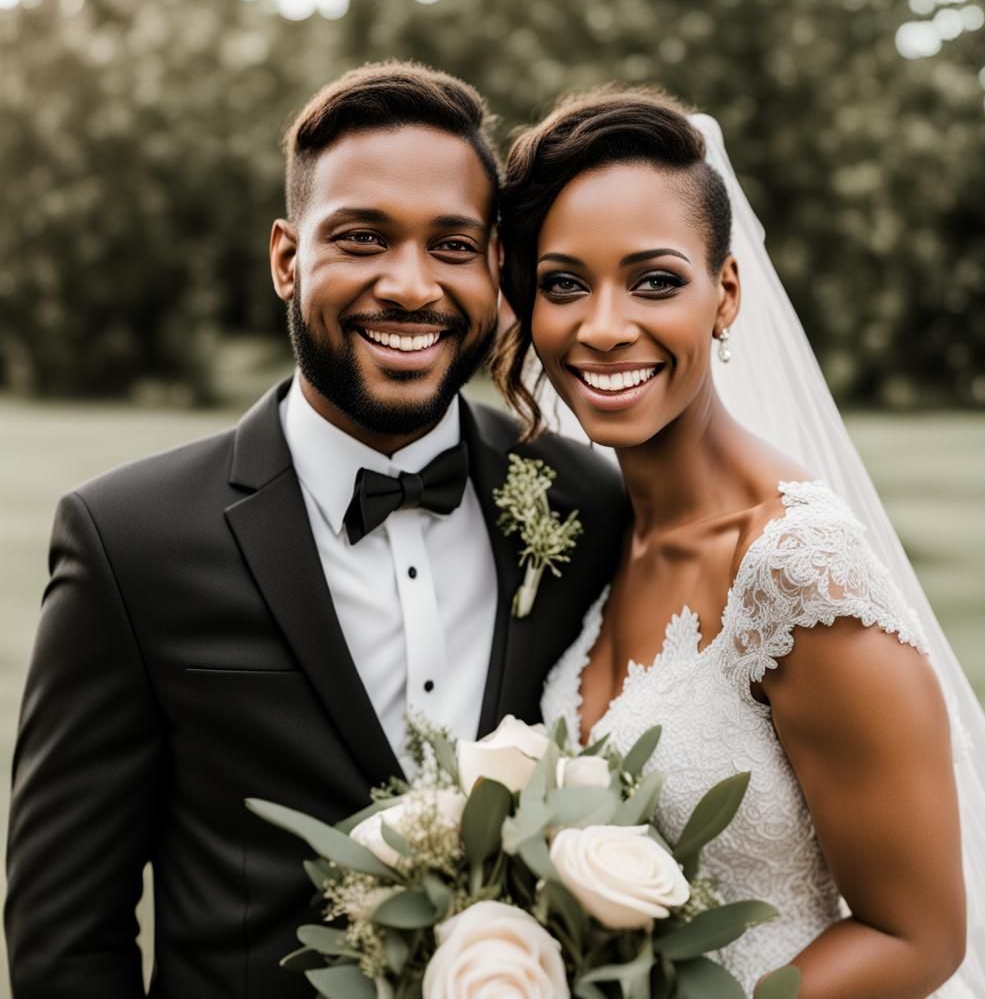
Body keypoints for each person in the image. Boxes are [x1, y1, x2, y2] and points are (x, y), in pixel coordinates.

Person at [4, 62, 625, 999]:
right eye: (363, 237)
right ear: (288, 258)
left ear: (496, 265)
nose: (412, 287)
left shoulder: (584, 500)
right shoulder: (127, 543)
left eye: (452, 245)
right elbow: (65, 938)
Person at [496, 86, 985, 997]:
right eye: (564, 284)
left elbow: (918, 935)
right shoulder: (599, 531)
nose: (605, 326)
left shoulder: (798, 572)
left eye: (655, 280)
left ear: (725, 292)